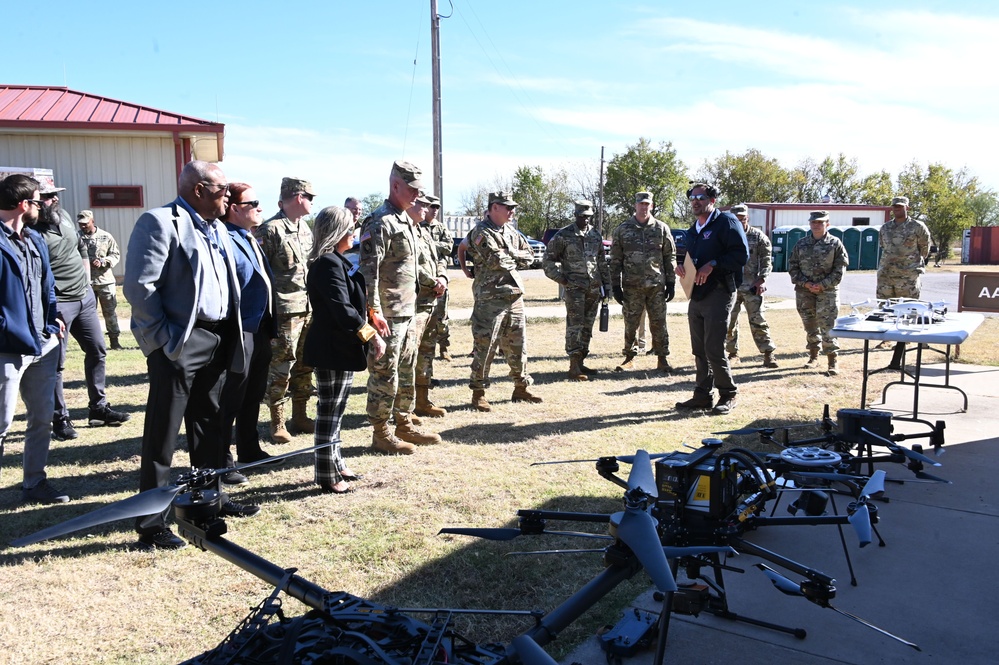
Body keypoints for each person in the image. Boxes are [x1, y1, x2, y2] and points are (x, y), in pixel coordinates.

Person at [124, 160, 258, 552]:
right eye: (223, 193)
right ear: (198, 190)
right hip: (180, 342)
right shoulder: (159, 222)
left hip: (218, 338)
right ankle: (151, 523)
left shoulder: (217, 227)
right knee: (163, 432)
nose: (229, 200)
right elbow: (140, 286)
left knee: (210, 425)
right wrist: (164, 341)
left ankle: (206, 504)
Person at [359, 161, 442, 453]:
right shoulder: (379, 221)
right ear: (396, 186)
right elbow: (369, 272)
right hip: (387, 315)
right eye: (413, 189)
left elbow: (414, 265)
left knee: (406, 370)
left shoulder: (406, 219)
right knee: (385, 373)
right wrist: (373, 312)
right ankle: (381, 433)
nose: (418, 196)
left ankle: (404, 423)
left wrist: (434, 281)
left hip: (408, 311)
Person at [37, 183, 128, 441]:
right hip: (58, 304)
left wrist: (87, 283)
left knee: (97, 350)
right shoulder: (33, 233)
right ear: (33, 202)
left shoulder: (64, 217)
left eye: (55, 195)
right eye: (46, 197)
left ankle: (98, 409)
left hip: (84, 298)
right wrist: (49, 307)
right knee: (56, 363)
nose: (53, 200)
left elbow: (80, 249)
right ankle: (60, 419)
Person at [305, 206, 387, 493]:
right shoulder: (327, 263)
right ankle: (327, 475)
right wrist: (371, 336)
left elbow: (356, 300)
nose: (355, 233)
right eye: (350, 227)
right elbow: (342, 311)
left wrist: (372, 314)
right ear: (337, 231)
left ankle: (336, 462)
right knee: (329, 411)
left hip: (341, 347)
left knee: (336, 410)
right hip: (331, 348)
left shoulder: (338, 260)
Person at [0, 174, 68, 504]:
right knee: (1, 424)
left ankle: (34, 483)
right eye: (38, 202)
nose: (42, 208)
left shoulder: (34, 239)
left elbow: (47, 283)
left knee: (41, 418)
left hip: (44, 343)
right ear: (24, 204)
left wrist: (53, 315)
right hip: (7, 349)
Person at [218, 183, 279, 483]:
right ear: (234, 208)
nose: (260, 208)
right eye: (253, 203)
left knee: (253, 393)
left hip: (259, 328)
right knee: (231, 395)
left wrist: (270, 327)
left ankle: (249, 448)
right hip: (239, 330)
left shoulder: (249, 237)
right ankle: (222, 460)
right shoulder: (225, 239)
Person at [465, 191, 543, 411]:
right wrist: (513, 255)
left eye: (513, 207)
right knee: (485, 347)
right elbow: (496, 260)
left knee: (518, 346)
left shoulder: (510, 231)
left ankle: (521, 387)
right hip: (490, 299)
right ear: (494, 207)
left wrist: (511, 253)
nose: (512, 211)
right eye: (507, 207)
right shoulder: (481, 232)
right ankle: (478, 392)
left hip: (514, 296)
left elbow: (530, 256)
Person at [674, 183, 748, 415]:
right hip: (697, 293)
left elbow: (740, 254)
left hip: (720, 291)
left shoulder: (726, 222)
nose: (696, 201)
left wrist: (713, 265)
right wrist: (682, 267)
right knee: (699, 348)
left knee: (714, 347)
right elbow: (689, 255)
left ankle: (728, 394)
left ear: (712, 200)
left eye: (701, 197)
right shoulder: (693, 229)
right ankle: (702, 395)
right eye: (692, 197)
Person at [256, 177, 316, 444]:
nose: (313, 203)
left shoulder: (305, 229)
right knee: (282, 367)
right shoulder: (269, 229)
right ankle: (277, 422)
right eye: (310, 197)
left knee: (305, 364)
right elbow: (258, 275)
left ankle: (300, 416)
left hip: (307, 308)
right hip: (282, 312)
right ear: (298, 197)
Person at [542, 199, 611, 380]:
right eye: (582, 216)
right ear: (575, 215)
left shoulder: (595, 235)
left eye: (588, 217)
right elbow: (547, 261)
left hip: (593, 288)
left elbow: (602, 262)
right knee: (575, 326)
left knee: (587, 326)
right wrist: (562, 279)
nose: (585, 220)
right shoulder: (563, 235)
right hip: (575, 289)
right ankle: (573, 365)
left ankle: (581, 362)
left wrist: (608, 286)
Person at [609, 191, 677, 374]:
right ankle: (629, 358)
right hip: (632, 286)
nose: (644, 207)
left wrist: (671, 282)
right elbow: (615, 259)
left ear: (652, 206)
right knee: (631, 323)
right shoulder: (623, 229)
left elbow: (669, 257)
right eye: (641, 204)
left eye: (647, 204)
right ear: (635, 206)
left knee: (659, 322)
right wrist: (615, 285)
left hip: (656, 286)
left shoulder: (661, 228)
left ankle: (662, 358)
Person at [788, 210, 848, 376]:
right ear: (809, 224)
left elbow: (839, 270)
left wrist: (822, 285)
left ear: (827, 224)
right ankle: (813, 356)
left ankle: (832, 360)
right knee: (810, 325)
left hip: (827, 292)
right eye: (814, 222)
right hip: (804, 291)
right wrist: (805, 283)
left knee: (828, 326)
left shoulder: (835, 244)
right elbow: (792, 267)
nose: (816, 225)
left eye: (820, 222)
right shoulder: (801, 244)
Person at [877, 195, 931, 369]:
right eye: (894, 207)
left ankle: (911, 339)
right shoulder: (885, 228)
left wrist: (910, 263)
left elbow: (925, 249)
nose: (897, 209)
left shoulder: (917, 227)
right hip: (886, 274)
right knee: (885, 307)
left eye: (900, 206)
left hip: (907, 274)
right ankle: (886, 338)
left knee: (910, 307)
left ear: (907, 207)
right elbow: (883, 247)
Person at [410, 194, 450, 418]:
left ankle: (423, 401)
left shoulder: (424, 233)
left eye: (429, 206)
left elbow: (441, 258)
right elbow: (410, 265)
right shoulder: (404, 230)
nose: (427, 209)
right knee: (409, 355)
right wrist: (432, 281)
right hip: (413, 303)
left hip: (431, 300)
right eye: (423, 204)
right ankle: (404, 408)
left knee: (427, 351)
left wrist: (442, 277)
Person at [725, 204, 778, 368]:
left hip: (752, 286)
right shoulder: (725, 237)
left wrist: (762, 280)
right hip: (731, 286)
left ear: (747, 218)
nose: (739, 222)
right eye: (736, 219)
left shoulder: (758, 237)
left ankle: (768, 354)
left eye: (742, 218)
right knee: (729, 322)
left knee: (758, 321)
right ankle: (733, 353)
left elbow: (767, 261)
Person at [77, 210, 123, 350]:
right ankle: (91, 344)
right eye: (80, 224)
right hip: (85, 282)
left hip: (104, 281)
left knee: (109, 312)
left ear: (92, 221)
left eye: (85, 223)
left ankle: (114, 341)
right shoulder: (75, 237)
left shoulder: (105, 236)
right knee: (87, 315)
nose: (83, 226)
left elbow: (115, 254)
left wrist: (104, 261)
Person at [419, 195, 455, 362]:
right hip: (423, 279)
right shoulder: (417, 226)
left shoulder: (440, 228)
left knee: (442, 316)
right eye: (432, 206)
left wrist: (431, 245)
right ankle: (424, 350)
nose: (434, 210)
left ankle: (444, 348)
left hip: (440, 277)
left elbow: (449, 248)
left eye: (437, 207)